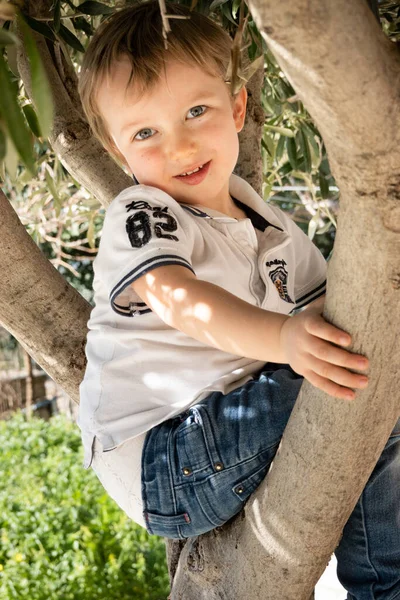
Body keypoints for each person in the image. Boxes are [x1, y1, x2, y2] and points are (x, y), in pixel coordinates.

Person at [77, 2, 400, 596]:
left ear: (238, 108)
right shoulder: (143, 213)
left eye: (196, 111)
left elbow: (336, 317)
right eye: (145, 133)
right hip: (163, 457)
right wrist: (282, 338)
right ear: (120, 152)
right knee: (361, 385)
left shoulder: (272, 226)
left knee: (364, 371)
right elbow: (176, 296)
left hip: (224, 429)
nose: (178, 146)